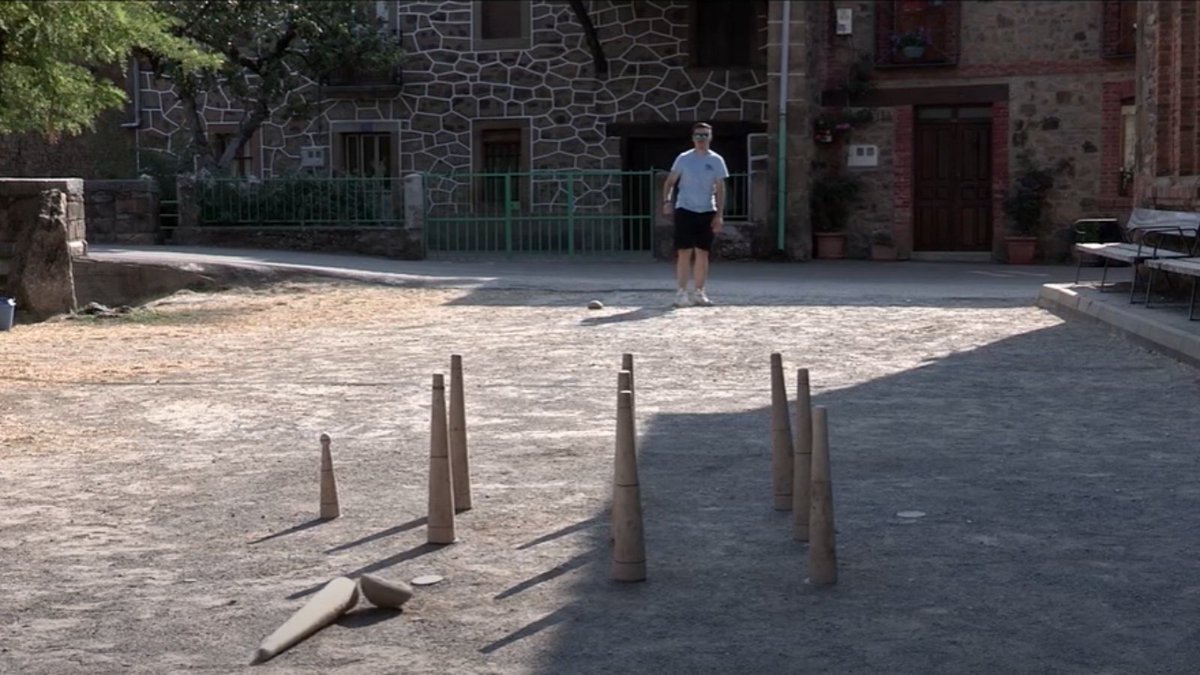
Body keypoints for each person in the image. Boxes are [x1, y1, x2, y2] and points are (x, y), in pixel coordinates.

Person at [661, 122, 729, 307]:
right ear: (693, 138)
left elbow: (720, 188)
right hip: (685, 209)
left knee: (702, 252)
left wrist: (719, 215)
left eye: (705, 135)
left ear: (710, 137)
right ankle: (681, 292)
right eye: (698, 135)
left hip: (707, 210)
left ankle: (699, 291)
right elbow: (670, 182)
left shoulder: (716, 160)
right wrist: (667, 201)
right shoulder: (683, 158)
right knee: (684, 251)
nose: (701, 139)